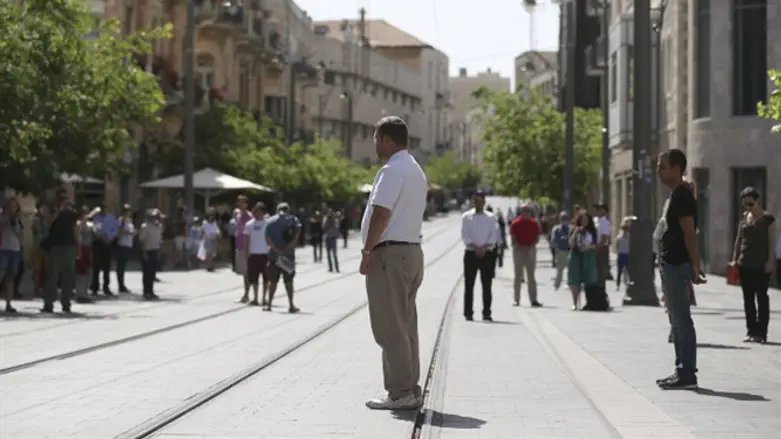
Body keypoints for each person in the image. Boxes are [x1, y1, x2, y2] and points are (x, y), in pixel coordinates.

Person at [360, 116, 427, 410]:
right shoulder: (414, 169)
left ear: (387, 139)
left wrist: (366, 251)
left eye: (376, 138)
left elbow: (381, 214)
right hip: (410, 252)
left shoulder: (392, 170)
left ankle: (400, 392)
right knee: (405, 324)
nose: (374, 144)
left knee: (390, 326)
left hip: (390, 255)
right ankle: (408, 386)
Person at [655, 148, 700, 390]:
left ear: (676, 169)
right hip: (669, 262)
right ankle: (680, 368)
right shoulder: (676, 195)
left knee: (681, 320)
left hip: (676, 263)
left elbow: (689, 234)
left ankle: (687, 372)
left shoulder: (682, 197)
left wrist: (695, 265)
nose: (658, 171)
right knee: (676, 319)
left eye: (663, 166)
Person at [731, 186, 776, 344]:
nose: (748, 207)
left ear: (758, 201)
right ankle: (751, 331)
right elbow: (739, 239)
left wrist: (770, 262)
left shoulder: (768, 219)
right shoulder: (744, 217)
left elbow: (772, 243)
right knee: (748, 299)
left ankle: (761, 333)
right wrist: (734, 259)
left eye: (750, 203)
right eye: (745, 204)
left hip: (761, 264)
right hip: (745, 263)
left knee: (762, 298)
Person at [461, 192, 501, 321]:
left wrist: (484, 248)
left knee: (487, 285)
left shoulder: (491, 217)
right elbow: (465, 235)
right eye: (476, 201)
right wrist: (475, 247)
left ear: (484, 202)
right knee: (469, 285)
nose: (478, 203)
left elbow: (494, 235)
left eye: (480, 201)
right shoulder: (466, 217)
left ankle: (486, 312)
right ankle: (468, 312)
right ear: (473, 202)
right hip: (471, 253)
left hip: (487, 253)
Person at [43, 190, 80, 313]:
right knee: (52, 276)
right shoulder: (51, 210)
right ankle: (49, 303)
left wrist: (77, 246)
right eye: (61, 199)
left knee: (68, 277)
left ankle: (66, 303)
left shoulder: (72, 213)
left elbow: (75, 230)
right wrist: (57, 211)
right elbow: (47, 223)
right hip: (55, 246)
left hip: (69, 246)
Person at [264, 202, 302, 313]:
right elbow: (297, 235)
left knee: (273, 281)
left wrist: (276, 250)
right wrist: (286, 249)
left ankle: (269, 304)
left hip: (273, 256)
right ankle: (291, 305)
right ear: (288, 210)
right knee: (289, 281)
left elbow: (267, 238)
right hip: (288, 256)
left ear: (277, 210)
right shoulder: (293, 220)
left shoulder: (270, 221)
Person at [509, 204, 542, 307]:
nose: (526, 213)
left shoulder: (534, 223)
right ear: (520, 212)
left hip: (530, 249)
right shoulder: (515, 223)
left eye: (528, 211)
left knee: (531, 276)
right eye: (524, 211)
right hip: (518, 249)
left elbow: (537, 237)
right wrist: (519, 246)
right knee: (518, 276)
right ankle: (516, 299)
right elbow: (513, 237)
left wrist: (531, 246)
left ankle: (533, 299)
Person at [567, 212, 599, 310]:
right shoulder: (574, 230)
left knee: (590, 279)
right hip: (575, 255)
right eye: (582, 219)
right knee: (574, 279)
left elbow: (597, 244)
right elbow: (571, 244)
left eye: (586, 219)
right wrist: (576, 232)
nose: (584, 221)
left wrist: (590, 247)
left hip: (589, 256)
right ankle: (574, 303)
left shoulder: (593, 231)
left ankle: (589, 302)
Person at [0, 197, 24, 313]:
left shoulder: (18, 220)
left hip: (15, 250)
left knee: (11, 277)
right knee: (1, 273)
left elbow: (21, 237)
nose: (12, 209)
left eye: (14, 206)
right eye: (10, 206)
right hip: (3, 249)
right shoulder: (2, 218)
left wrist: (15, 226)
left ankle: (8, 304)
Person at [243, 202, 269, 306]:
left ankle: (264, 298)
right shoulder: (249, 224)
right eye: (255, 211)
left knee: (266, 278)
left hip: (265, 254)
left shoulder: (268, 223)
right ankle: (255, 297)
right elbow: (246, 239)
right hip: (253, 254)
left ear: (263, 212)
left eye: (259, 212)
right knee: (254, 278)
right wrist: (246, 253)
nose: (257, 214)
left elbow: (269, 238)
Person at [90, 204, 118, 295]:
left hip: (108, 244)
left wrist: (111, 238)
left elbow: (114, 230)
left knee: (107, 267)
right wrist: (103, 237)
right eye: (102, 209)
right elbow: (96, 229)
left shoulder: (111, 218)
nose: (103, 211)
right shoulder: (96, 218)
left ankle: (106, 287)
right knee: (96, 266)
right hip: (98, 243)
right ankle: (95, 286)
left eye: (105, 209)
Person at [233, 195, 253, 302]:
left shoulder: (249, 216)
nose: (239, 204)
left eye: (241, 202)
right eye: (238, 202)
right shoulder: (238, 215)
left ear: (246, 204)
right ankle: (246, 293)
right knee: (243, 272)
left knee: (247, 272)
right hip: (239, 246)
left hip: (246, 247)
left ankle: (247, 293)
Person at [75, 206, 96, 302]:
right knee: (81, 273)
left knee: (89, 272)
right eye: (84, 213)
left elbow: (93, 230)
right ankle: (80, 294)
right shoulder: (78, 224)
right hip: (81, 248)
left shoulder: (90, 225)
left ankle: (85, 292)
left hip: (89, 249)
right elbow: (78, 232)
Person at [115, 204, 136, 293]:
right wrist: (128, 233)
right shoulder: (121, 220)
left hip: (127, 244)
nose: (129, 212)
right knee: (120, 266)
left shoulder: (129, 221)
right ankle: (121, 285)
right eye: (127, 211)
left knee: (123, 266)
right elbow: (118, 232)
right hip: (122, 245)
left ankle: (122, 284)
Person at [550, 212, 571, 290]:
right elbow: (553, 240)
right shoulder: (556, 229)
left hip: (569, 251)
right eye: (562, 219)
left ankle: (569, 283)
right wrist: (556, 250)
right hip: (561, 251)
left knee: (570, 269)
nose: (564, 220)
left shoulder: (571, 228)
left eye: (566, 219)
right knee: (560, 269)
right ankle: (557, 284)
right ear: (559, 219)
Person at [615, 218, 631, 291]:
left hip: (627, 255)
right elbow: (617, 247)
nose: (625, 230)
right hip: (621, 255)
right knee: (619, 271)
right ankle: (618, 285)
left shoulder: (630, 237)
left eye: (626, 228)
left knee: (628, 271)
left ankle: (628, 284)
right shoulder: (619, 237)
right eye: (624, 228)